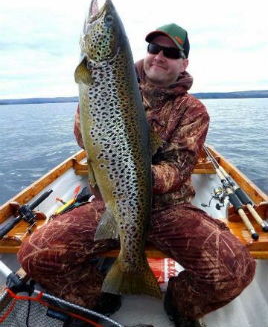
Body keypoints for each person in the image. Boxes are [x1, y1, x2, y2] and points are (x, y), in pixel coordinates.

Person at [18, 23, 256, 327]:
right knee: (35, 254)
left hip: (170, 210)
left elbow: (178, 169)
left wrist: (132, 176)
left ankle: (179, 303)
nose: (159, 56)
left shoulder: (192, 110)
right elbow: (84, 139)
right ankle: (99, 298)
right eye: (154, 49)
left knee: (236, 269)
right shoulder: (110, 88)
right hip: (108, 204)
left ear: (184, 63)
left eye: (170, 52)